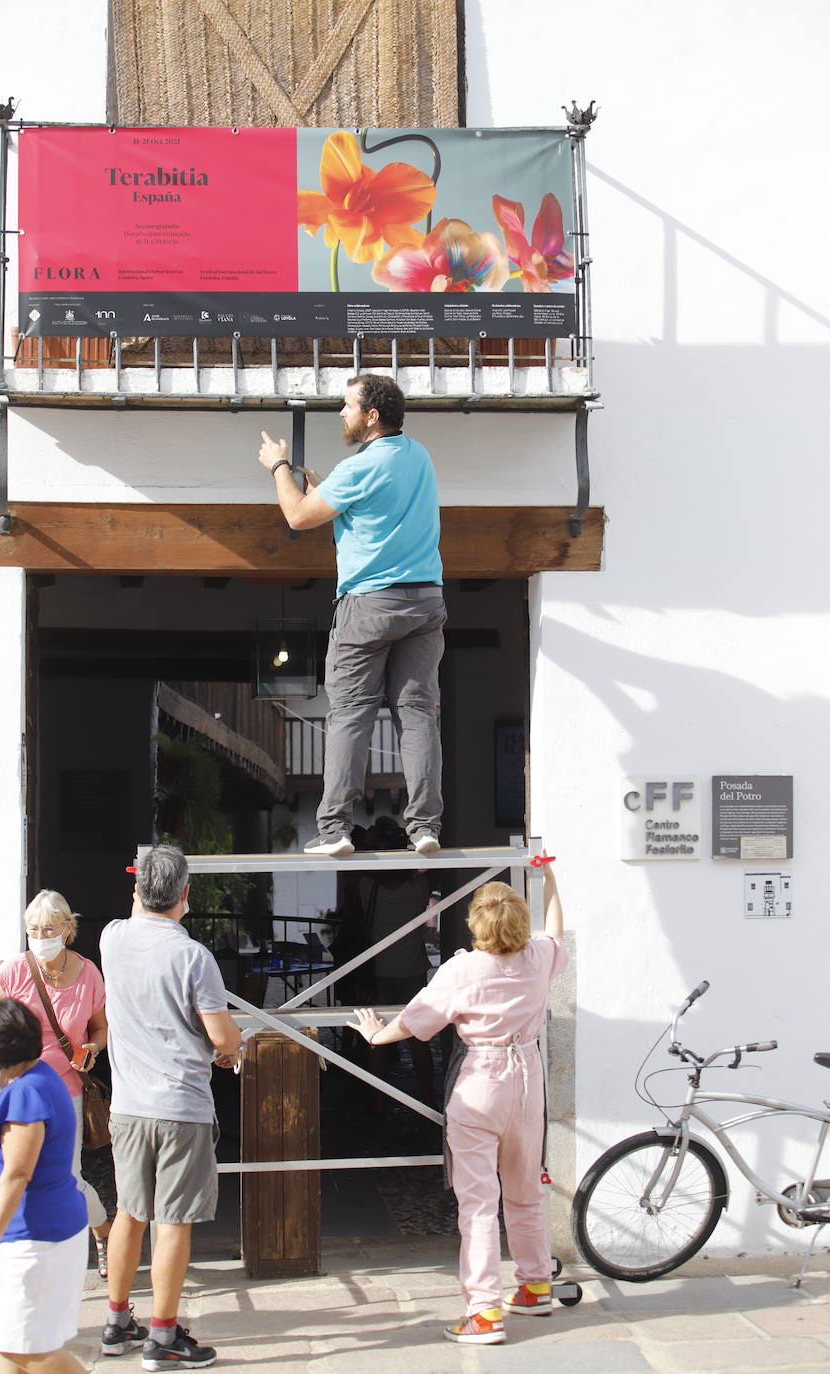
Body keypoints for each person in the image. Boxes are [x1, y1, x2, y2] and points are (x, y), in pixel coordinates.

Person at [353, 857, 567, 1345]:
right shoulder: (536, 957)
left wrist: (375, 1035)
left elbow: (414, 1020)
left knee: (477, 1203)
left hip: (480, 1081)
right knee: (525, 1189)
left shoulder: (462, 968)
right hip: (527, 1078)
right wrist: (551, 879)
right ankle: (535, 1285)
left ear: (476, 925)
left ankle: (485, 1312)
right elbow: (559, 933)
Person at [257, 373, 446, 858]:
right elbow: (375, 513)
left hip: (369, 604)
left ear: (372, 415)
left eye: (347, 405)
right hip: (425, 600)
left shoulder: (357, 468)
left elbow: (298, 515)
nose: (342, 413)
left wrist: (278, 465)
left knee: (351, 713)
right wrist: (329, 490)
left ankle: (335, 828)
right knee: (418, 712)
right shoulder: (419, 455)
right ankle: (425, 826)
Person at [99, 844, 240, 1371]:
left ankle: (116, 1323)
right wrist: (231, 1051)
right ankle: (161, 1336)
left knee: (129, 1212)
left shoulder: (112, 939)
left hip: (129, 1105)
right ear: (186, 895)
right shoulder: (193, 957)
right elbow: (222, 1036)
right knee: (174, 1220)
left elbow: (138, 913)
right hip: (181, 1105)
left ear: (136, 891)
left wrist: (144, 890)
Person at [0, 890, 112, 1277]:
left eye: (48, 928)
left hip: (65, 1093)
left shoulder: (88, 973)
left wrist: (93, 1046)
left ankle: (102, 1232)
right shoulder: (12, 973)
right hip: (15, 1095)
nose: (40, 936)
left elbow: (101, 1026)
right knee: (11, 1172)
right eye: (33, 929)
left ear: (68, 928)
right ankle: (12, 1251)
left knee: (69, 1177)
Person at [0, 997, 89, 1374]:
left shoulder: (26, 1093)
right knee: (2, 1346)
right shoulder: (25, 1081)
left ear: (1, 1051)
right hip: (23, 1237)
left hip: (30, 1240)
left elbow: (17, 1174)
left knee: (28, 1351)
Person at [359, 815, 434, 1107]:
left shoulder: (368, 886)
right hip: (413, 970)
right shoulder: (419, 886)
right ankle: (429, 1099)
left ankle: (377, 1100)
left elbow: (358, 864)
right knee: (419, 1041)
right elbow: (428, 864)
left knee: (375, 1039)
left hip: (379, 970)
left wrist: (369, 843)